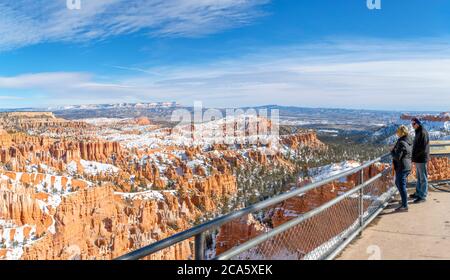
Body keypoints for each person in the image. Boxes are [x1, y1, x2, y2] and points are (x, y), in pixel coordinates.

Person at [391, 125, 413, 212]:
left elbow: (397, 157)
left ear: (401, 133)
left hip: (402, 167)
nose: (397, 133)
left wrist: (392, 152)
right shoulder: (408, 140)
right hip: (407, 166)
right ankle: (404, 201)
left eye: (398, 132)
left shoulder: (401, 142)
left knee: (401, 185)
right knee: (398, 183)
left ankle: (404, 205)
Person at [410, 117, 430, 203]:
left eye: (413, 124)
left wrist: (415, 156)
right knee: (419, 177)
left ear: (418, 123)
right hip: (418, 159)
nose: (412, 125)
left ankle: (423, 196)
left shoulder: (422, 132)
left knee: (423, 178)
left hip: (421, 159)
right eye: (412, 124)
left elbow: (422, 148)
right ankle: (418, 193)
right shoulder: (418, 132)